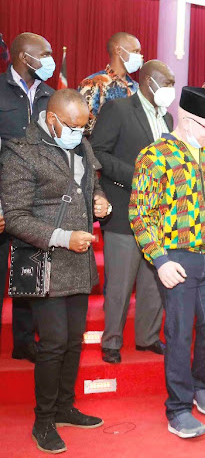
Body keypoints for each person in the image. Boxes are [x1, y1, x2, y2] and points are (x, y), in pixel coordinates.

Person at [0, 89, 110, 454]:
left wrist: (99, 202)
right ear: (52, 120)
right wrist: (62, 237)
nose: (80, 132)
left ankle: (65, 407)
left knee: (75, 341)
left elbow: (89, 188)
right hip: (45, 258)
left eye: (85, 125)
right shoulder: (20, 152)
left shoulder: (83, 147)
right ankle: (43, 420)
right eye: (74, 126)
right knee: (53, 344)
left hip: (77, 259)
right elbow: (15, 217)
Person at [130, 87, 205, 439]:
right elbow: (139, 214)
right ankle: (177, 408)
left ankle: (197, 383)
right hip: (175, 257)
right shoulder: (156, 156)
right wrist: (159, 259)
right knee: (179, 332)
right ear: (189, 122)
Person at [89, 60, 176, 364]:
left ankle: (147, 337)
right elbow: (97, 152)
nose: (171, 90)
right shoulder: (119, 109)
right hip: (124, 209)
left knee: (153, 281)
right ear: (150, 82)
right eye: (167, 83)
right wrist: (136, 175)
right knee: (120, 284)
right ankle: (112, 340)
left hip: (158, 216)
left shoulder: (167, 119)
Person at [0, 32, 56, 364]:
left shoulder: (51, 95)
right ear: (24, 57)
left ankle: (24, 341)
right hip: (3, 199)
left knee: (29, 272)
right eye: (44, 53)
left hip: (38, 201)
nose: (49, 59)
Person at [78, 32, 142, 130]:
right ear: (118, 50)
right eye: (135, 51)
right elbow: (84, 126)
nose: (140, 56)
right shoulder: (93, 83)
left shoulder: (136, 87)